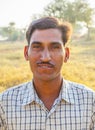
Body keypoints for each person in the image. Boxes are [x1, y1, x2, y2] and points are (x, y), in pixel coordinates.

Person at [0, 17, 95, 130]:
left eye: (55, 47)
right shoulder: (4, 104)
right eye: (37, 47)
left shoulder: (90, 103)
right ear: (26, 53)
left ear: (66, 55)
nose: (45, 57)